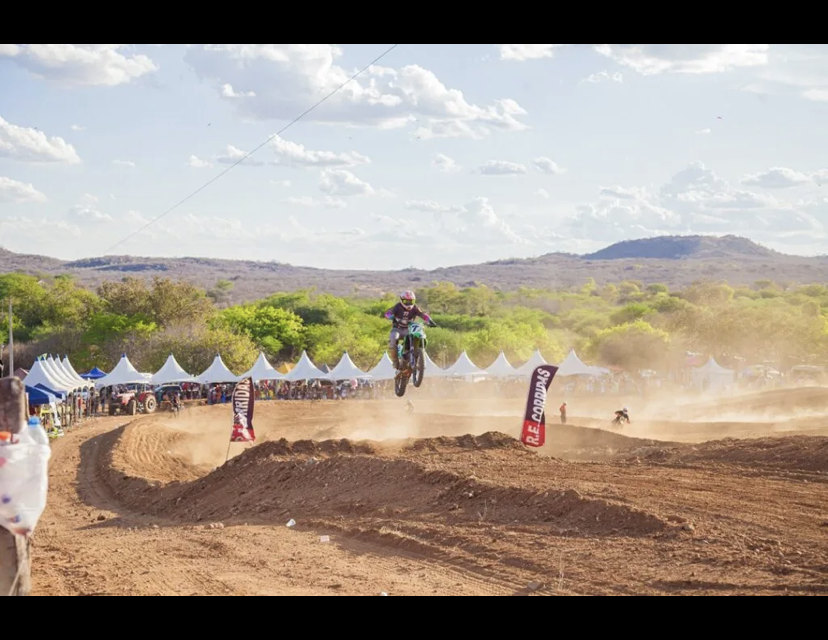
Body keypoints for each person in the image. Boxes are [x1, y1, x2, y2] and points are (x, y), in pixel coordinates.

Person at [383, 291, 437, 370]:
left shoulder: (415, 308)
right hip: (397, 328)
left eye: (410, 301)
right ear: (401, 300)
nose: (408, 304)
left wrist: (429, 320)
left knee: (417, 335)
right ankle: (395, 362)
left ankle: (414, 355)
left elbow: (422, 314)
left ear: (414, 301)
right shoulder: (397, 307)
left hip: (409, 329)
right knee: (393, 339)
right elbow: (388, 313)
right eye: (406, 301)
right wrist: (389, 316)